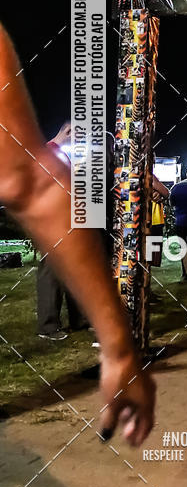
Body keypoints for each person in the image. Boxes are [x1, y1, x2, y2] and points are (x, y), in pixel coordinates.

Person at [0, 22, 155, 445]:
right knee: (50, 277)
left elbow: (31, 184)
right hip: (64, 222)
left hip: (78, 222)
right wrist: (119, 348)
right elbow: (31, 183)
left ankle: (68, 321)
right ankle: (51, 323)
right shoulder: (59, 147)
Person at [36, 122, 88, 339]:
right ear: (68, 132)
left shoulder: (61, 155)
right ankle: (48, 326)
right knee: (51, 272)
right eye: (78, 136)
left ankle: (79, 319)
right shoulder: (47, 154)